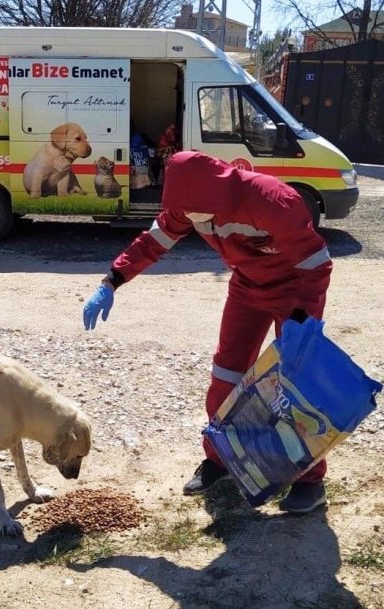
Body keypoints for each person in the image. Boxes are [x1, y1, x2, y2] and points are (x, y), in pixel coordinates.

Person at [82, 151, 333, 513]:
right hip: (247, 288)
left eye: (198, 212)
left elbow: (316, 263)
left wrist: (301, 322)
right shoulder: (190, 204)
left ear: (217, 194)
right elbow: (153, 242)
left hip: (294, 291)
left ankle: (311, 482)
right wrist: (112, 280)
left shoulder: (273, 201)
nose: (191, 220)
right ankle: (220, 459)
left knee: (295, 386)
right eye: (184, 212)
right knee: (225, 375)